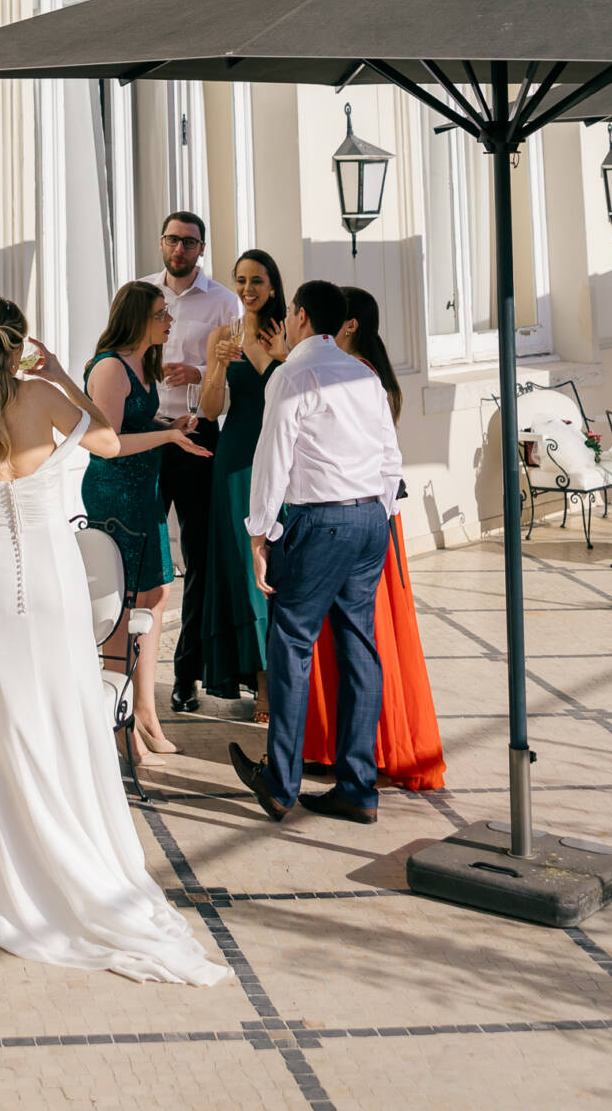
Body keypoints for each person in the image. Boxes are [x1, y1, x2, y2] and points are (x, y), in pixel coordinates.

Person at [0, 294, 230, 987]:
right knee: (62, 709)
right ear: (17, 346)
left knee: (8, 722)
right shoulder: (42, 397)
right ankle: (76, 856)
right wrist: (62, 373)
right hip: (51, 571)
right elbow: (108, 442)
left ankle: (20, 880)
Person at [229, 279, 401, 829]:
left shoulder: (292, 375)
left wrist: (258, 534)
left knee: (291, 643)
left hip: (319, 522)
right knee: (359, 648)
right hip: (370, 519)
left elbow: (272, 457)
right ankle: (358, 789)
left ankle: (280, 784)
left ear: (300, 317)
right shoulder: (364, 374)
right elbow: (390, 456)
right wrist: (377, 513)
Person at [303, 291, 444, 791]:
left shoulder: (352, 373)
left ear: (350, 326)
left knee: (357, 631)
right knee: (367, 631)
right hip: (378, 512)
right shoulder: (370, 372)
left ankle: (347, 744)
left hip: (355, 513)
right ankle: (357, 742)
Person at [81, 281, 212, 757]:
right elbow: (109, 443)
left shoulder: (143, 362)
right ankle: (119, 720)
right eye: (161, 314)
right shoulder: (110, 368)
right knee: (122, 604)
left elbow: (135, 425)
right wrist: (168, 439)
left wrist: (167, 426)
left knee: (156, 593)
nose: (169, 321)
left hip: (144, 489)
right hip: (115, 494)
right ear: (137, 318)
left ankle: (145, 711)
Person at [143, 210, 241, 714]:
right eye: (172, 240)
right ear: (161, 243)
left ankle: (186, 677)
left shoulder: (224, 301)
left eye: (189, 242)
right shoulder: (140, 293)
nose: (179, 249)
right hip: (148, 433)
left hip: (200, 433)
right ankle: (127, 673)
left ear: (202, 248)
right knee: (142, 553)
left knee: (199, 558)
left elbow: (234, 366)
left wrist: (198, 371)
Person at [198, 251, 287, 715]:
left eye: (257, 281)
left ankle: (290, 676)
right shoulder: (222, 335)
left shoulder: (289, 333)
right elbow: (211, 410)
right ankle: (263, 684)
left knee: (280, 566)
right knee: (243, 567)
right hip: (236, 459)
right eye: (241, 280)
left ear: (272, 286)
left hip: (284, 457)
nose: (248, 289)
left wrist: (284, 357)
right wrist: (216, 367)